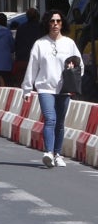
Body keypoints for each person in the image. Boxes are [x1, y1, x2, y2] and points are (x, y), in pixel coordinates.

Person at [21, 10, 84, 168]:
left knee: (60, 123)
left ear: (62, 23)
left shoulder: (69, 43)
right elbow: (32, 67)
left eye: (58, 21)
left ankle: (57, 154)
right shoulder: (40, 44)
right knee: (50, 119)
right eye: (52, 21)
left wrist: (73, 71)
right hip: (45, 88)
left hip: (64, 89)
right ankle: (48, 152)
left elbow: (80, 65)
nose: (55, 24)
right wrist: (27, 89)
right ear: (47, 23)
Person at [12, 7, 42, 84]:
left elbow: (16, 43)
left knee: (21, 84)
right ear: (38, 17)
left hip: (21, 60)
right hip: (37, 61)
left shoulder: (21, 27)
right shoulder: (42, 28)